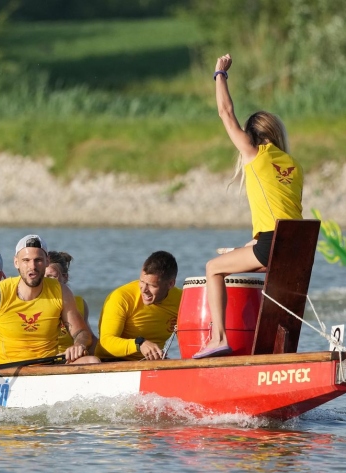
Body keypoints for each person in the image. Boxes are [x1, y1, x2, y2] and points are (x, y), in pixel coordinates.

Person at [194, 54, 303, 359]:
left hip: (272, 243)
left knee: (213, 269)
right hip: (295, 247)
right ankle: (277, 353)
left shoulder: (256, 156)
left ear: (253, 137)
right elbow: (284, 210)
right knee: (246, 257)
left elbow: (225, 112)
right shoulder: (293, 164)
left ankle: (218, 338)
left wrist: (219, 74)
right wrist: (254, 243)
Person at [0, 235, 99, 380]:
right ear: (16, 263)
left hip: (48, 369)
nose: (32, 267)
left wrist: (78, 344)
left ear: (47, 261)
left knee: (93, 362)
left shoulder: (61, 291)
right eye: (26, 260)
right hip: (9, 372)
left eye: (38, 260)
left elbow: (81, 332)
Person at [95, 251, 181, 361]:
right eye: (142, 281)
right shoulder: (121, 297)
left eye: (152, 285)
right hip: (110, 361)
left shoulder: (181, 299)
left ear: (170, 284)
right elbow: (107, 341)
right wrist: (139, 344)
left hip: (151, 362)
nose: (144, 290)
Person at [45, 251, 90, 354]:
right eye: (42, 276)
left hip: (70, 357)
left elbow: (88, 337)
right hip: (44, 357)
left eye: (51, 276)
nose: (46, 281)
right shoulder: (30, 302)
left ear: (65, 277)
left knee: (94, 359)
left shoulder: (79, 303)